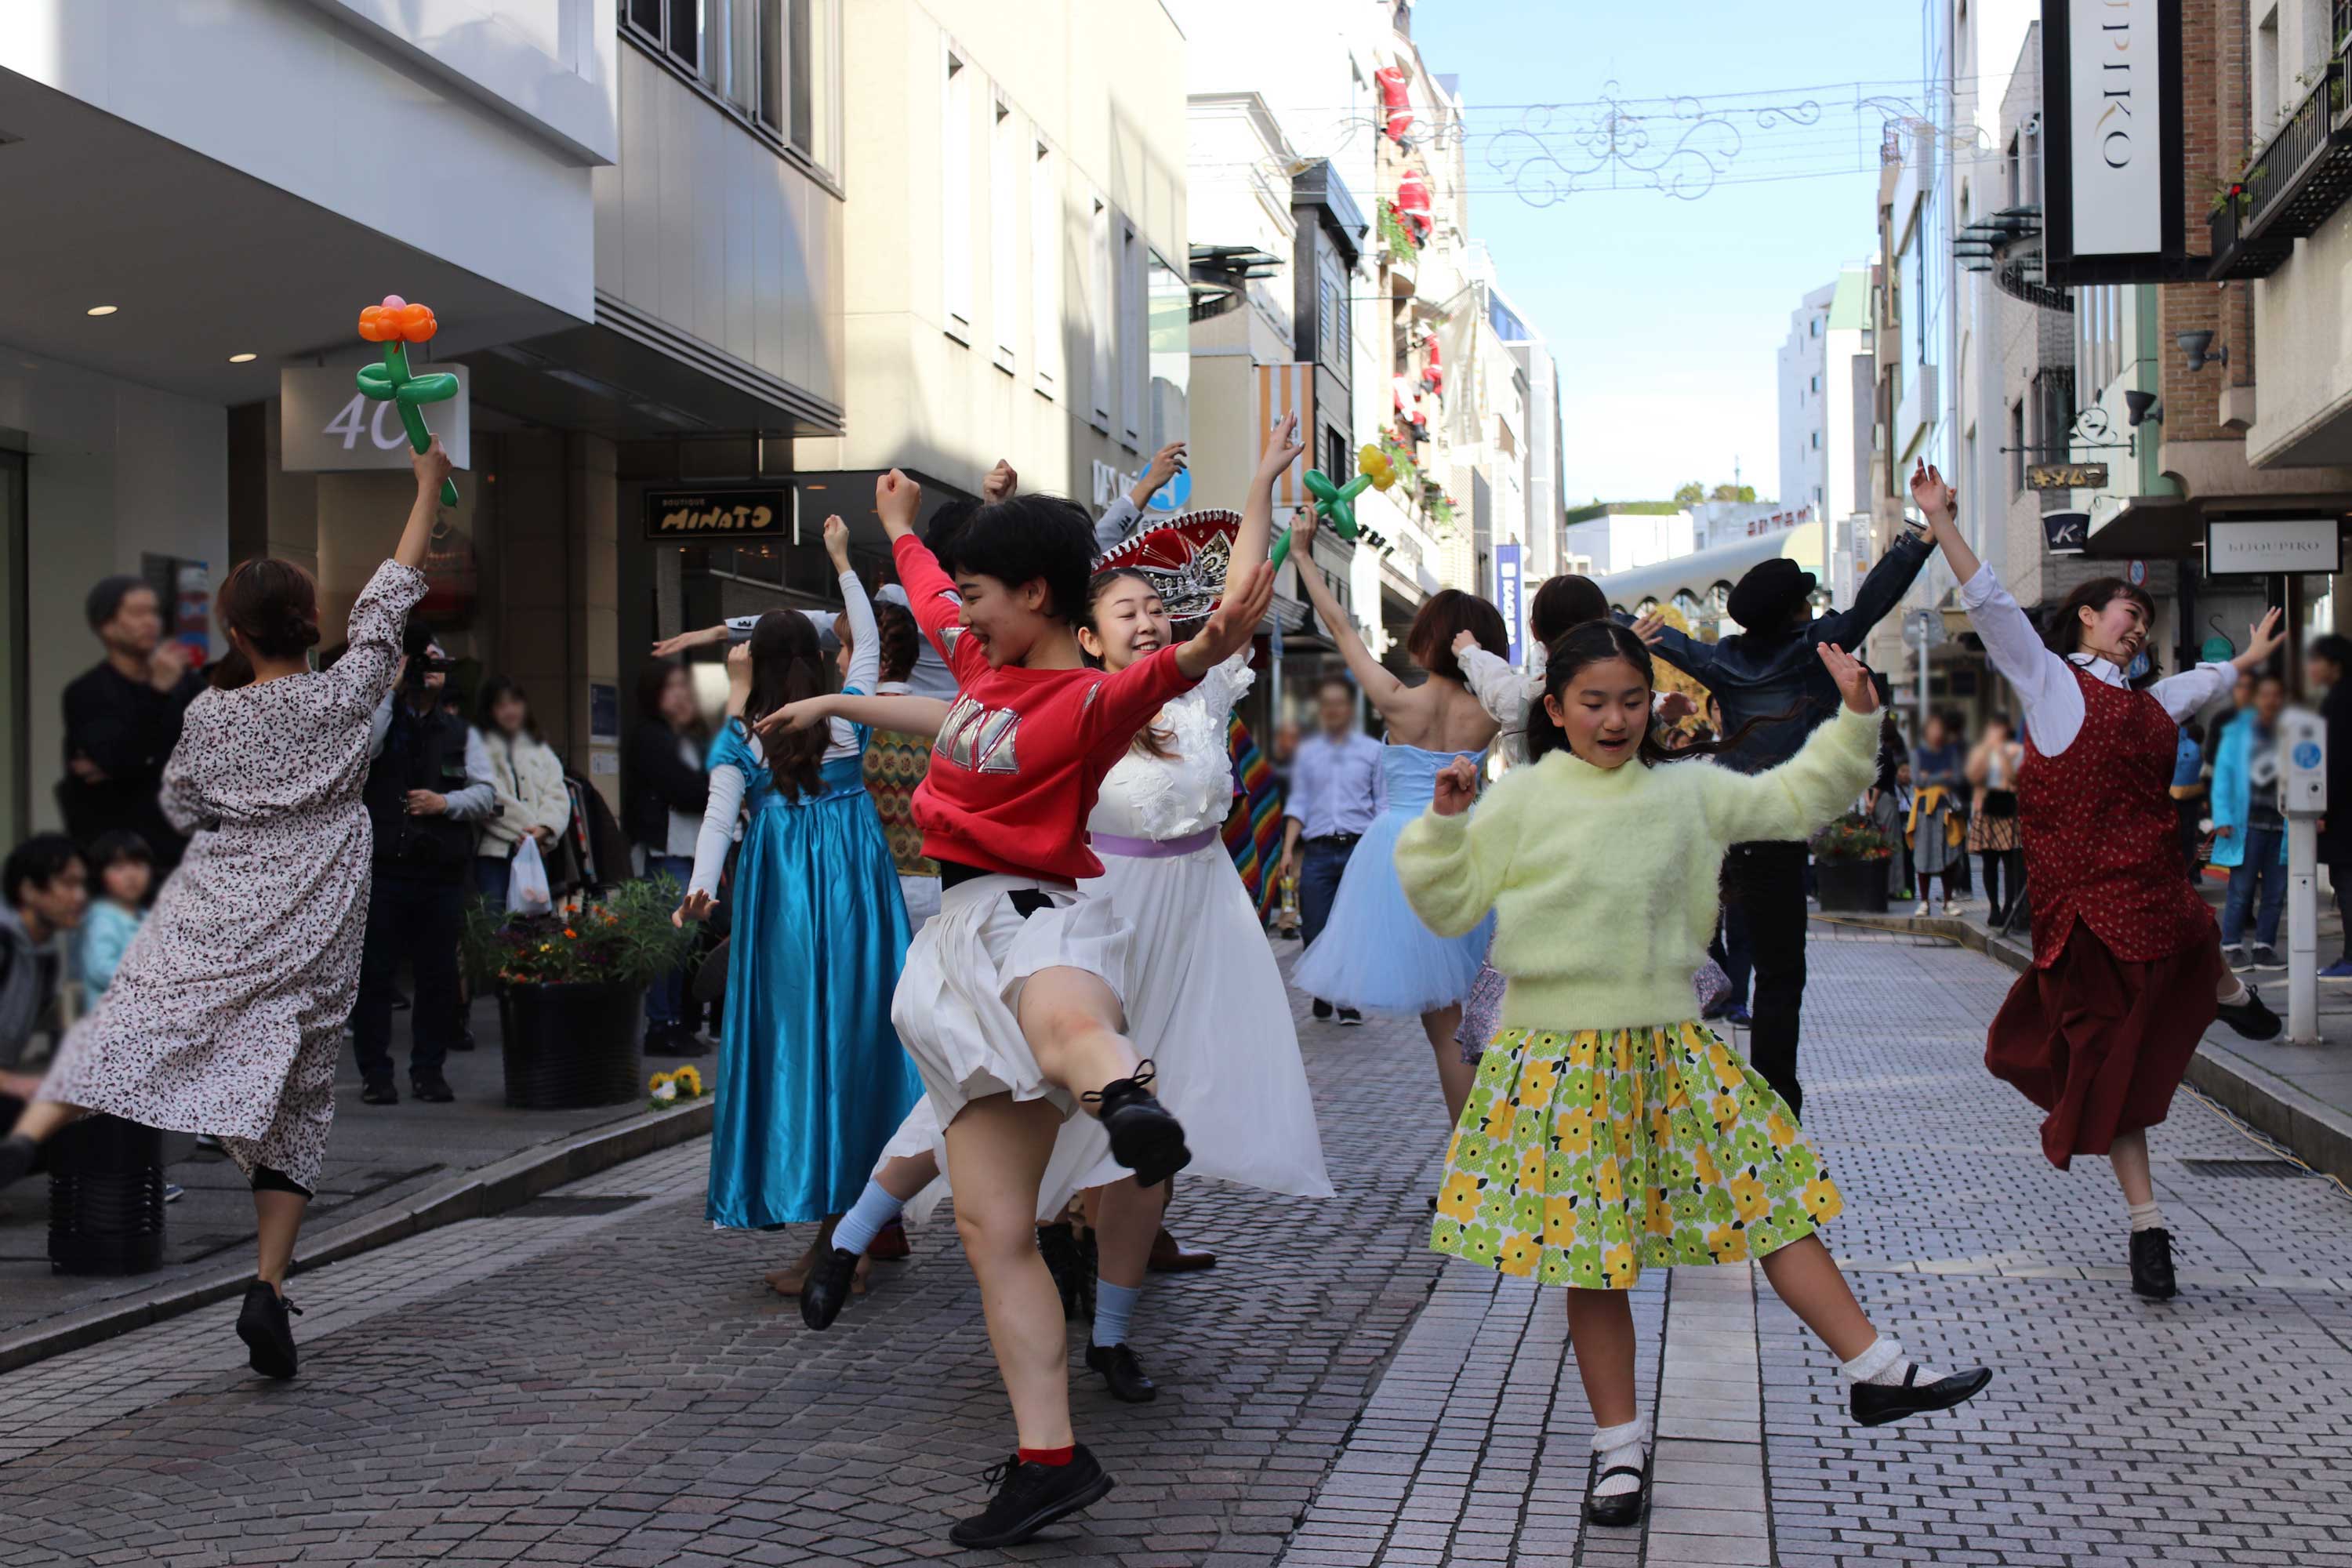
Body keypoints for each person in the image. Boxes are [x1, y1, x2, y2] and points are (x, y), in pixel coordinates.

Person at [769, 467, 1273, 1549]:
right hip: (956, 944)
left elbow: (1192, 654)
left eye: (981, 591)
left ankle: (1128, 1110)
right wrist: (900, 530)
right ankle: (1049, 1457)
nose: (963, 608)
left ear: (1037, 596)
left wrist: (1222, 624)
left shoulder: (1094, 698)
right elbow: (926, 596)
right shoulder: (976, 667)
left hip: (1039, 913)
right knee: (991, 1227)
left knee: (1068, 1028)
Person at [1398, 619, 1992, 1528]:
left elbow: (1797, 798)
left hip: (1670, 1044)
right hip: (1559, 1056)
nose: (1615, 718)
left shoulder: (1686, 794)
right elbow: (1448, 905)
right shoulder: (1518, 803)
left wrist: (1858, 718)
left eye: (1632, 700)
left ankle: (1875, 1366)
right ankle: (1618, 1448)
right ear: (1554, 708)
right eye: (1594, 702)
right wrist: (1443, 823)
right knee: (1592, 1260)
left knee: (1769, 1196)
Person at [0, 441, 447, 1379]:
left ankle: (25, 1138)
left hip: (226, 900)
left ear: (235, 635)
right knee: (299, 1100)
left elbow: (182, 803)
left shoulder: (208, 717)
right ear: (309, 623)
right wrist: (425, 488)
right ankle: (267, 1282)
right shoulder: (347, 690)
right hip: (321, 910)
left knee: (145, 1024)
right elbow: (392, 592)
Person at [1912, 460, 2282, 1300]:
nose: (2138, 626)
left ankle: (2225, 989)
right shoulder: (2050, 682)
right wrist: (1941, 520)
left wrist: (2248, 659)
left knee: (2191, 922)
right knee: (2114, 1073)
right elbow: (1994, 604)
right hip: (2086, 918)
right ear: (2087, 616)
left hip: (2156, 894)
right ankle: (2148, 1225)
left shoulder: (2153, 703)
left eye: (2146, 619)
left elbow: (2204, 681)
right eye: (2128, 612)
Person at [673, 517, 927, 1291]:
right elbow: (875, 651)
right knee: (855, 1052)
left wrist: (701, 884)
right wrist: (845, 560)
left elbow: (719, 817)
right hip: (855, 901)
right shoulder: (844, 714)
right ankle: (853, 1227)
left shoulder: (744, 740)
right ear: (817, 658)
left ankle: (832, 1247)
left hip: (785, 906)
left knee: (798, 1057)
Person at [1632, 522, 1933, 1122]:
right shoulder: (1816, 646)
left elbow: (1666, 644)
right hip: (1778, 828)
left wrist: (1633, 633)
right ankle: (1776, 1103)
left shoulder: (1722, 658)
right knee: (1779, 976)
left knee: (1695, 956)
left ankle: (1683, 1095)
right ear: (1799, 610)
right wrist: (1915, 543)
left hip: (1723, 823)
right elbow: (1875, 599)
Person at [1287, 519, 1506, 1127]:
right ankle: (1491, 1158)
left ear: (1426, 641)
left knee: (1445, 1029)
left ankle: (1469, 1163)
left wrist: (1304, 557)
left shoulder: (1396, 699)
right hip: (1472, 847)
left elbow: (1339, 626)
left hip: (1404, 855)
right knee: (1484, 1016)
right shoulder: (1492, 709)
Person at [1449, 572, 1613, 1063]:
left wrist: (1467, 651)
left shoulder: (1525, 697)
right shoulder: (1614, 696)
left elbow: (1494, 683)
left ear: (1536, 631)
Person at [351, 629, 496, 1105]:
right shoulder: (383, 720)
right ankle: (377, 1074)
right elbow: (361, 752)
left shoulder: (462, 732)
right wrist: (390, 688)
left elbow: (487, 794)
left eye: (437, 662)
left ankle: (429, 1070)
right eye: (422, 662)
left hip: (440, 871)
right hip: (386, 869)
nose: (430, 670)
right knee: (375, 975)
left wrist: (444, 802)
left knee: (437, 977)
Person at [57, 577, 209, 877]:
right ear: (106, 626)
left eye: (154, 612)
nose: (151, 622)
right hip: (124, 862)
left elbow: (215, 754)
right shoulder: (89, 691)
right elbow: (119, 758)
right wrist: (156, 694)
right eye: (138, 613)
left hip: (189, 852)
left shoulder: (187, 682)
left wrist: (134, 767)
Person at [1279, 676, 1384, 1025]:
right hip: (1319, 853)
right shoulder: (1308, 754)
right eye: (1327, 705)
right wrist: (1288, 850)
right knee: (1314, 929)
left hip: (1358, 851)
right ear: (1321, 712)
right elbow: (1299, 802)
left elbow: (1382, 805)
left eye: (1340, 704)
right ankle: (1323, 989)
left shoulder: (1372, 752)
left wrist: (1383, 852)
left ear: (1350, 709)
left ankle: (1346, 1002)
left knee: (1351, 928)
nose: (1333, 710)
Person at [623, 660, 713, 1055]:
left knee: (686, 941)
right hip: (666, 852)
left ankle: (677, 1019)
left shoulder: (690, 737)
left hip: (691, 850)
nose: (682, 695)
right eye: (672, 687)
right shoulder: (650, 736)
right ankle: (661, 1023)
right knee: (668, 940)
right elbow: (687, 789)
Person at [2212, 672, 2291, 972]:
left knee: (2275, 891)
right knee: (2241, 890)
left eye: (2277, 695)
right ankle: (2231, 946)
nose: (2272, 700)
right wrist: (2221, 817)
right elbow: (2223, 778)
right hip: (2247, 825)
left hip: (2281, 825)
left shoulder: (2290, 734)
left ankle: (2264, 947)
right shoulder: (2237, 733)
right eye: (2266, 694)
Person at [471, 677, 572, 910]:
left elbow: (557, 795)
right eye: (501, 705)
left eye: (515, 703)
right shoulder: (478, 748)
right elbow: (489, 799)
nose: (510, 711)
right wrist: (530, 830)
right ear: (490, 711)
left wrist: (545, 829)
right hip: (495, 855)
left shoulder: (540, 749)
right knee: (494, 928)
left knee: (533, 931)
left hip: (536, 854)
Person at [0, 835, 88, 1069]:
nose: (80, 897)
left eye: (82, 885)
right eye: (68, 884)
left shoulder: (47, 957)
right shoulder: (5, 941)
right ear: (29, 890)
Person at [2309, 635, 2352, 980]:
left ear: (2334, 664)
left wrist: (2322, 808)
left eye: (2317, 660)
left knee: (2347, 883)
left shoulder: (2338, 702)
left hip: (2344, 816)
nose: (2311, 668)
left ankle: (2351, 955)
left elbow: (2336, 762)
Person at [77, 831, 153, 1002]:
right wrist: (150, 980)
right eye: (119, 867)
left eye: (139, 865)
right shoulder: (101, 918)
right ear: (100, 875)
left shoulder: (147, 916)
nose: (131, 875)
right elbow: (100, 969)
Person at [1965, 715, 2025, 926]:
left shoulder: (2015, 751)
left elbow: (2016, 779)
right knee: (1989, 862)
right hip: (1987, 809)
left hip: (2008, 808)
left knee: (2011, 864)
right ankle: (1994, 907)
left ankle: (2009, 906)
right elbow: (1973, 777)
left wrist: (2002, 756)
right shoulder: (1981, 751)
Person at [1907, 712, 1965, 916]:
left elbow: (1956, 777)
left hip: (1946, 809)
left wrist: (1930, 777)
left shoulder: (1951, 753)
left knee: (1948, 856)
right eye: (1933, 728)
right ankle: (1924, 901)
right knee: (1923, 856)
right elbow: (1918, 781)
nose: (1936, 733)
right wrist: (1942, 776)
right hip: (1925, 810)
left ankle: (1948, 901)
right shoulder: (1917, 754)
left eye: (1939, 728)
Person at [2171, 718, 2211, 887]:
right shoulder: (2197, 751)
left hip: (2172, 796)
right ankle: (2193, 873)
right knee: (2190, 838)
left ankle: (2177, 874)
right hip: (2193, 799)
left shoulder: (2173, 741)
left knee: (2175, 838)